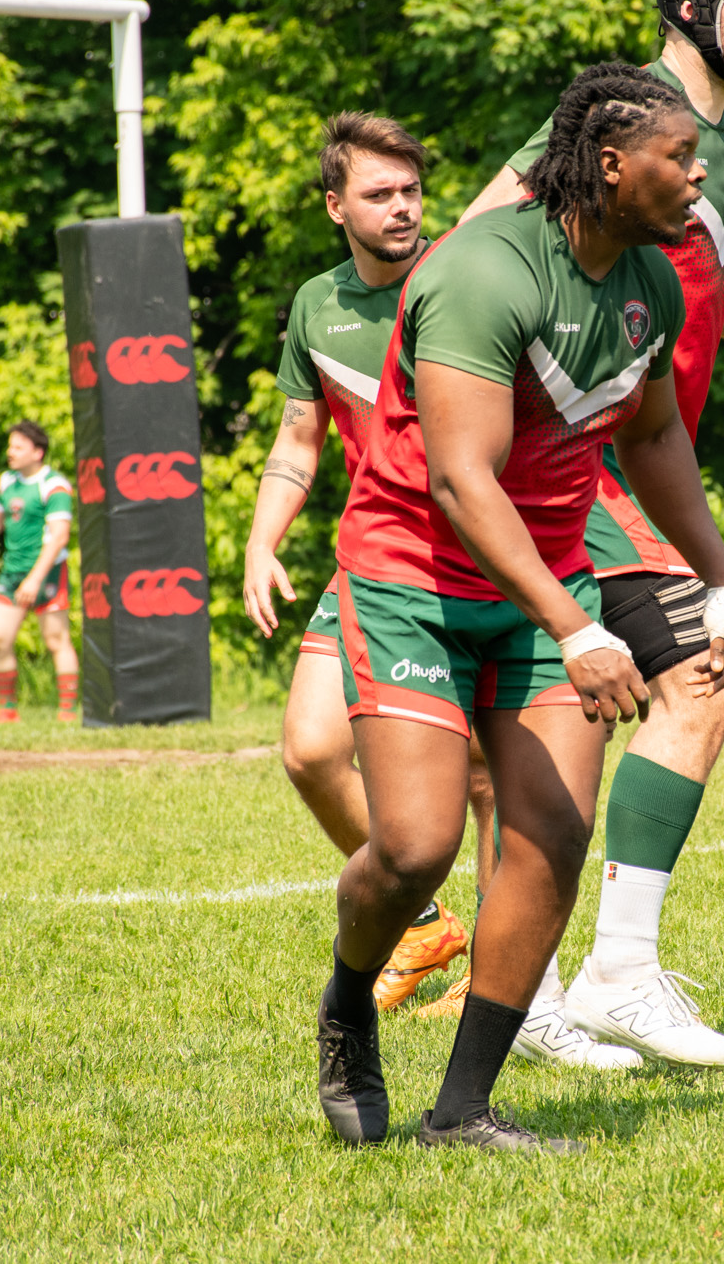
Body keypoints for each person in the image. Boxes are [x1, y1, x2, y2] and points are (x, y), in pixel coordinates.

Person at [316, 62, 724, 1152]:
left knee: (548, 833)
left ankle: (459, 1110)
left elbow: (650, 436)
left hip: (545, 583)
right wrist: (577, 627)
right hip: (414, 577)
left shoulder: (651, 277)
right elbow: (461, 482)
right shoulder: (482, 274)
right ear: (610, 166)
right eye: (677, 161)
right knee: (411, 850)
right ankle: (346, 1000)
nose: (696, 182)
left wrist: (716, 575)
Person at [460, 0, 724, 1068]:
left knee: (568, 722)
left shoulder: (713, 151)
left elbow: (674, 290)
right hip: (570, 461)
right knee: (699, 671)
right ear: (694, 10)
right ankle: (615, 974)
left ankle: (532, 1000)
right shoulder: (622, 115)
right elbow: (478, 241)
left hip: (619, 458)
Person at [241, 113, 571, 1056]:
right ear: (335, 205)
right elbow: (299, 441)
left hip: (480, 561)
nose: (400, 208)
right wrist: (264, 542)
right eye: (378, 193)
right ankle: (423, 920)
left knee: (481, 777)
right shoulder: (318, 306)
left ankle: (507, 974)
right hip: (379, 558)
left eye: (411, 192)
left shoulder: (464, 277)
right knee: (308, 749)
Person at [0, 421, 77, 722]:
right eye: (10, 446)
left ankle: (67, 710)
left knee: (56, 640)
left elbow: (60, 536)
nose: (10, 452)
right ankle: (8, 710)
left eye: (18, 447)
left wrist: (35, 577)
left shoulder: (55, 485)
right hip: (12, 574)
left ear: (37, 452)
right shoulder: (7, 482)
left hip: (46, 573)